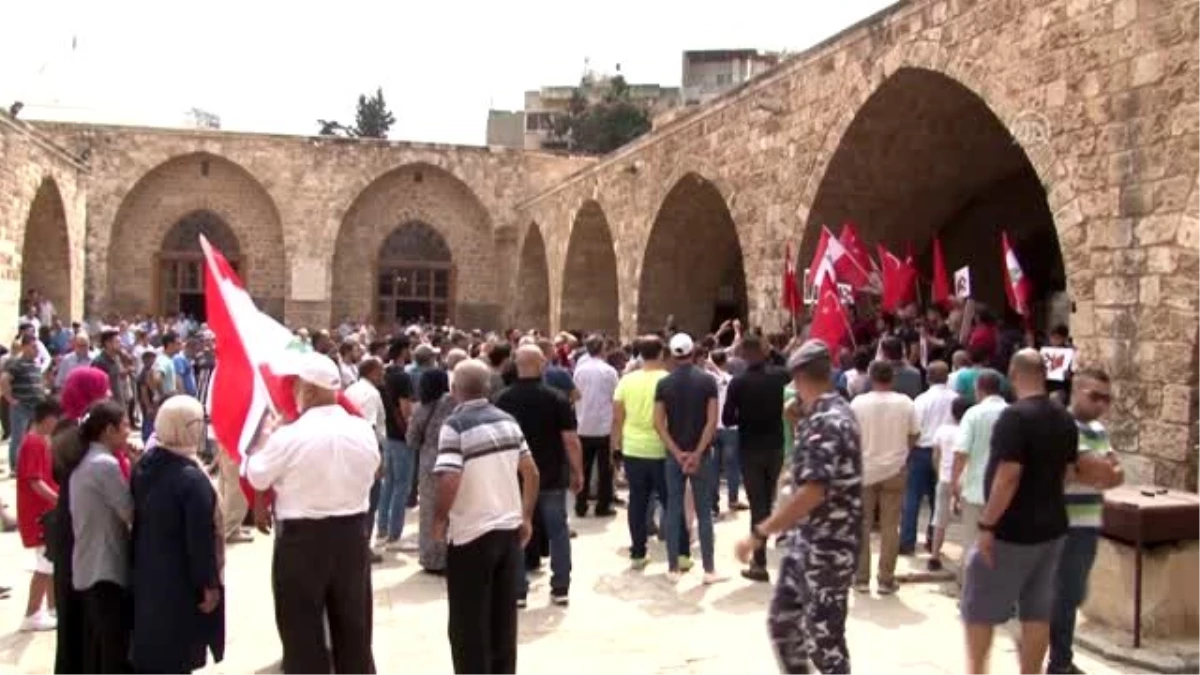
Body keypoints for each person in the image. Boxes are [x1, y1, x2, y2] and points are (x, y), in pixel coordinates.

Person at [961, 350, 1120, 675]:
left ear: (1013, 373)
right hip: (1053, 530)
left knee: (979, 609)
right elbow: (1071, 472)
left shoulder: (1015, 417)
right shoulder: (1064, 419)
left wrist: (987, 525)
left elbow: (1008, 475)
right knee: (1038, 613)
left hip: (1012, 531)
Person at [244, 352, 380, 674]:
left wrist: (268, 439)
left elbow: (257, 474)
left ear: (311, 389)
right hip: (351, 536)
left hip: (303, 540)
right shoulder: (361, 430)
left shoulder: (289, 436)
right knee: (353, 626)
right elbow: (374, 468)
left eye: (297, 386)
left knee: (301, 628)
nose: (293, 393)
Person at [735, 340, 862, 674]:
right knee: (783, 624)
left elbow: (812, 492)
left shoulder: (828, 421)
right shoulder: (827, 411)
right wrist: (798, 416)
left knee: (825, 643)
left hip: (828, 547)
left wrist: (760, 532)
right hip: (806, 543)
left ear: (800, 378)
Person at [433, 359, 540, 675]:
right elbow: (531, 471)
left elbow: (449, 477)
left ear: (454, 391)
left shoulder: (455, 425)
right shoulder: (507, 421)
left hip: (471, 534)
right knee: (502, 620)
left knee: (468, 625)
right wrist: (526, 516)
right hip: (507, 530)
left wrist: (439, 520)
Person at [130, 396, 224, 673]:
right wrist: (208, 583)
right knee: (178, 652)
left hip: (148, 571)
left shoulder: (147, 465)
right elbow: (199, 538)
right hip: (180, 579)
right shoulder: (191, 479)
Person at [1048, 367, 1124, 675]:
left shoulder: (1098, 431)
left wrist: (1098, 470)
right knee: (1066, 596)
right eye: (1095, 396)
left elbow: (1117, 475)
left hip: (1089, 522)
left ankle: (1059, 657)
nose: (1102, 405)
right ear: (1077, 391)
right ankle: (1059, 663)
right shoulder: (1063, 425)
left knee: (1074, 594)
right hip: (1065, 524)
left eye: (1107, 399)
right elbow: (1095, 470)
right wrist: (1099, 470)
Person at [495, 345, 584, 606]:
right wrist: (578, 471)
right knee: (558, 531)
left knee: (517, 530)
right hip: (552, 475)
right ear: (542, 363)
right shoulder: (556, 398)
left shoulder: (503, 399)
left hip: (516, 476)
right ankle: (560, 587)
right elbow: (570, 440)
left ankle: (518, 589)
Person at [50, 368, 118, 675]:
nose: (108, 396)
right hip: (79, 530)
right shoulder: (75, 435)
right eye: (102, 391)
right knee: (82, 612)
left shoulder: (73, 429)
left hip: (75, 524)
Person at [70, 400, 134, 675]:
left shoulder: (86, 460)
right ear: (109, 430)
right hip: (105, 567)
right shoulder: (104, 465)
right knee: (114, 650)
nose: (128, 433)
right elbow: (130, 511)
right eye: (125, 427)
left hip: (90, 565)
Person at [655, 333, 724, 584]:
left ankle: (673, 567)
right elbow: (711, 421)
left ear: (673, 355)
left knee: (673, 509)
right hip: (700, 455)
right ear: (693, 352)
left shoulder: (664, 384)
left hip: (675, 455)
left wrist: (677, 452)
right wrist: (696, 452)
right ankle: (709, 569)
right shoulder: (707, 382)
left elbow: (658, 423)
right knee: (704, 511)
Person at [721, 335, 789, 582]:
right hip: (775, 445)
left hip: (750, 447)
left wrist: (746, 417)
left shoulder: (738, 383)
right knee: (768, 500)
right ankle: (764, 549)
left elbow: (728, 419)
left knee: (757, 504)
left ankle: (759, 562)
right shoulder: (780, 377)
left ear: (743, 355)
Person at [850, 360, 918, 595]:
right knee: (890, 526)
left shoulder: (858, 403)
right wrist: (902, 454)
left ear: (870, 376)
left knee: (861, 525)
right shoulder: (906, 403)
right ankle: (886, 579)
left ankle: (860, 578)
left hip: (865, 469)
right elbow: (914, 434)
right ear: (893, 378)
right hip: (894, 469)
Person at [613, 336, 675, 570]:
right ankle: (677, 551)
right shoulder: (667, 380)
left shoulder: (626, 381)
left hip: (634, 449)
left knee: (637, 501)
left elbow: (618, 417)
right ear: (661, 353)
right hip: (662, 448)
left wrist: (615, 446)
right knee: (670, 500)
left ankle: (638, 552)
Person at [951, 369, 1009, 576]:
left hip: (975, 489)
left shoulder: (973, 414)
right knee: (1001, 547)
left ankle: (969, 592)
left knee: (971, 544)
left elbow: (961, 453)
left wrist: (954, 483)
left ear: (978, 389)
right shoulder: (1012, 413)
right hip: (1005, 493)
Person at [16, 397, 61, 632]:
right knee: (44, 565)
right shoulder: (33, 442)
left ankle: (52, 608)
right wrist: (58, 500)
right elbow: (35, 481)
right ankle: (32, 613)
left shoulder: (39, 441)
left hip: (45, 511)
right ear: (48, 418)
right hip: (39, 514)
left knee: (50, 563)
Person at [902, 361, 957, 555]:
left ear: (928, 377)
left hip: (921, 450)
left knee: (912, 497)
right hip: (946, 452)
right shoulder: (956, 399)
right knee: (938, 499)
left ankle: (907, 541)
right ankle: (933, 540)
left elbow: (914, 428)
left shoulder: (922, 400)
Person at [407, 368, 456, 574]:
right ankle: (452, 555)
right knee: (452, 511)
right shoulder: (455, 405)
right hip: (454, 461)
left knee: (429, 513)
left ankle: (432, 558)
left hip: (429, 465)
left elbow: (412, 440)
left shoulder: (421, 408)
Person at [572, 334, 619, 518]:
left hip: (583, 424)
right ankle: (602, 505)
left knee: (583, 467)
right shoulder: (609, 371)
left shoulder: (579, 371)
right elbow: (615, 397)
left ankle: (580, 504)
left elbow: (575, 394)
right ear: (602, 349)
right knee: (605, 468)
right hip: (604, 425)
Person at [377, 338, 415, 548]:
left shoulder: (386, 373)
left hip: (389, 432)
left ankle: (382, 527)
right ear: (403, 351)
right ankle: (394, 533)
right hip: (400, 434)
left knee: (389, 483)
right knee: (402, 485)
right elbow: (406, 409)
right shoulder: (402, 377)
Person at [928, 396, 969, 572]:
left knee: (940, 519)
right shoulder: (969, 431)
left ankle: (934, 556)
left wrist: (938, 473)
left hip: (944, 478)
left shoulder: (943, 430)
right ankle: (964, 560)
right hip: (965, 480)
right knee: (969, 523)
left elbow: (935, 455)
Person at [3, 334, 47, 475]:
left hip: (36, 407)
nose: (36, 350)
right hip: (21, 407)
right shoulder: (15, 363)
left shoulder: (35, 363)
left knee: (35, 437)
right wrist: (10, 399)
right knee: (18, 438)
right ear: (25, 347)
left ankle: (31, 465)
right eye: (33, 347)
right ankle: (15, 467)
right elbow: (4, 380)